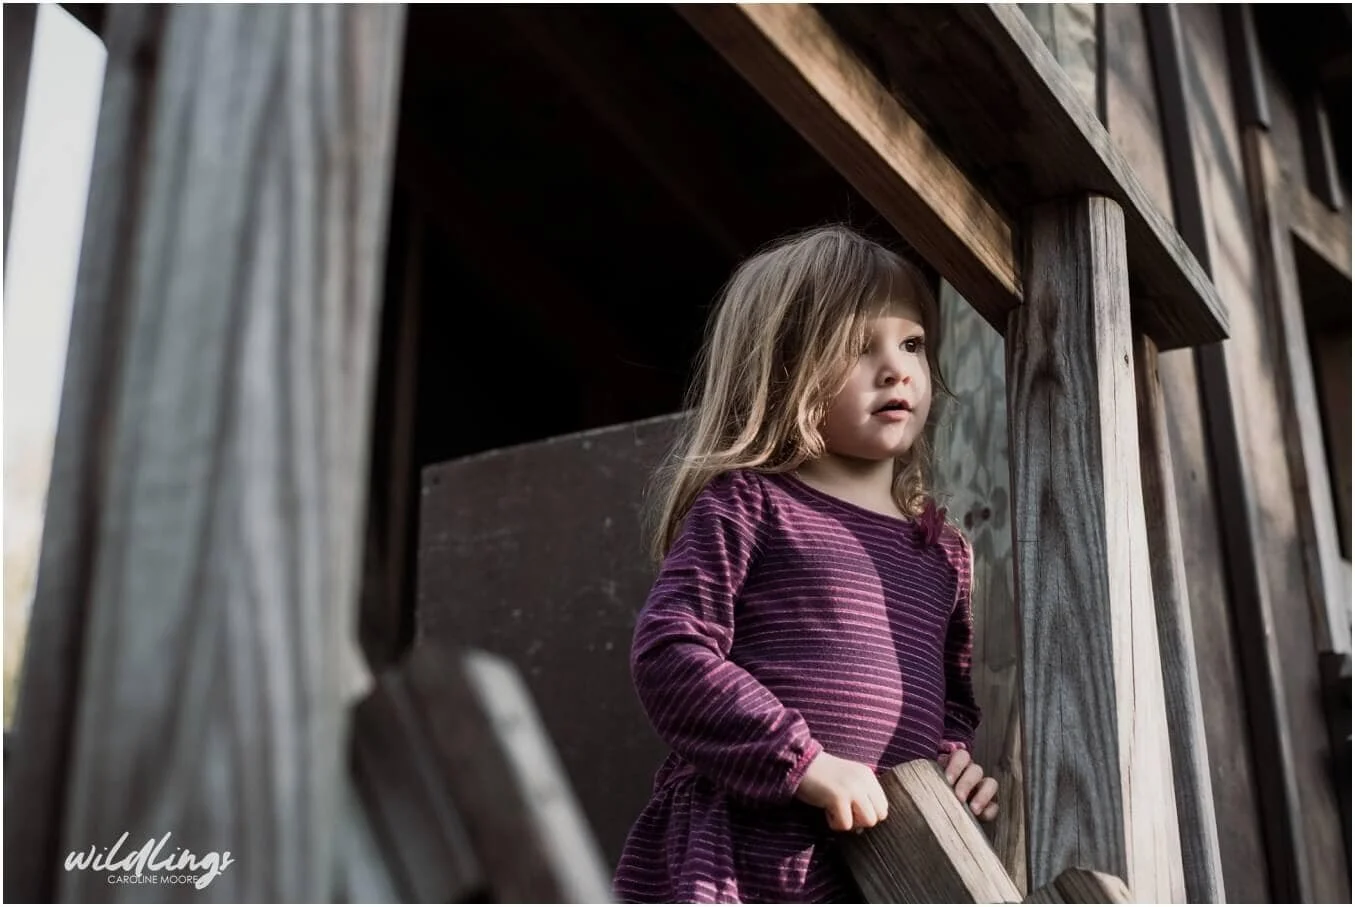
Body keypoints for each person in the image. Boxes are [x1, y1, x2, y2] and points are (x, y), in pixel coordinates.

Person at [613, 225, 1000, 904]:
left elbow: (951, 707)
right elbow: (670, 651)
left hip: (889, 867)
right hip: (750, 852)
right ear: (782, 367)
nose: (897, 368)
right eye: (858, 348)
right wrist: (803, 761)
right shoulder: (750, 504)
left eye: (910, 343)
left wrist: (954, 766)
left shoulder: (942, 551)